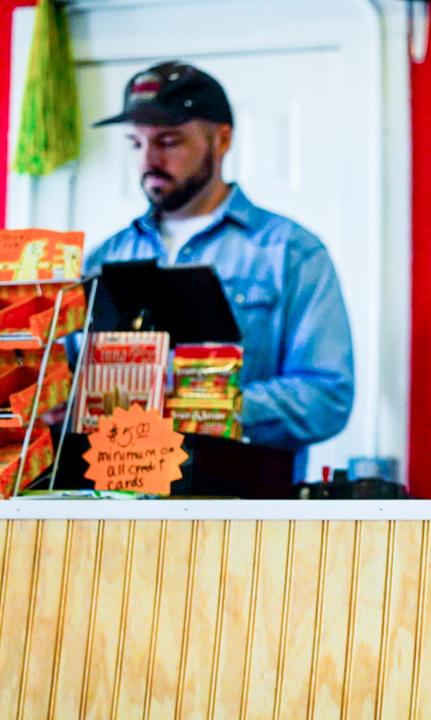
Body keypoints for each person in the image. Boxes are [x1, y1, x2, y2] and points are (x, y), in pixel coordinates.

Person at [86, 61, 354, 459]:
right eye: (136, 144)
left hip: (244, 509)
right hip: (117, 501)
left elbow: (326, 398)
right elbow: (66, 379)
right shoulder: (105, 258)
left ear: (221, 139)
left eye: (169, 141)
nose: (148, 161)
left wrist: (203, 404)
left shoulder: (291, 252)